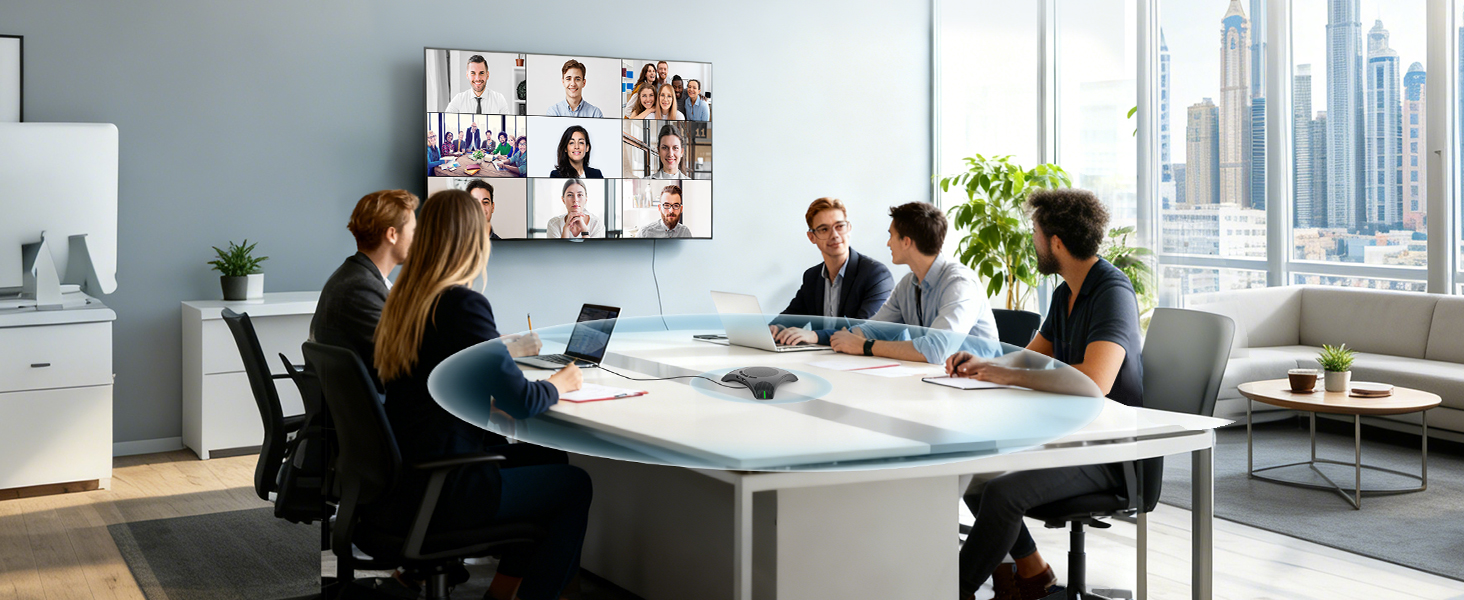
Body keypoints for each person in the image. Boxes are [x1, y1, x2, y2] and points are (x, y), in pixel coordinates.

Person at [374, 189, 588, 600]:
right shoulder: (462, 304)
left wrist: (489, 402)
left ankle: (503, 591)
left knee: (549, 457)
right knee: (575, 486)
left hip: (409, 478)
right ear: (472, 240)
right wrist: (561, 382)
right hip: (451, 486)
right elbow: (522, 401)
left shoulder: (405, 299)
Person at [945, 188, 1144, 600]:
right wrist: (983, 363)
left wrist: (1007, 376)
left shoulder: (1112, 291)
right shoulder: (1066, 292)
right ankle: (1034, 575)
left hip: (1110, 451)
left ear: (1055, 242)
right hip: (1071, 437)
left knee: (1001, 492)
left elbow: (1096, 380)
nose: (1032, 241)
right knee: (974, 474)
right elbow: (1032, 357)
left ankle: (949, 592)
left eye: (1034, 232)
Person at [828, 202, 998, 363]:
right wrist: (844, 338)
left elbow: (936, 350)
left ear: (906, 242)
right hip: (937, 379)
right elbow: (874, 329)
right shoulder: (908, 284)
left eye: (891, 235)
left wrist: (865, 346)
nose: (888, 243)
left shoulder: (960, 284)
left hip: (979, 385)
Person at [310, 190, 418, 389]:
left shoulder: (356, 277)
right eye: (413, 231)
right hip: (377, 413)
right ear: (392, 234)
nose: (416, 239)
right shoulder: (359, 289)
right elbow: (401, 365)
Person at [767, 198, 894, 346]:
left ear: (849, 228)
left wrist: (815, 336)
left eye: (840, 226)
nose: (834, 235)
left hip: (865, 363)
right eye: (824, 229)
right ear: (812, 237)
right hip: (823, 361)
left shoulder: (876, 275)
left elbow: (866, 329)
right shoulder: (812, 277)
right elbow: (791, 317)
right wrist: (776, 328)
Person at [445, 54, 510, 114]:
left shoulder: (499, 99)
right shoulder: (459, 99)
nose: (477, 78)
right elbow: (445, 122)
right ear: (467, 75)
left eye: (481, 73)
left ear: (487, 75)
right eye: (473, 73)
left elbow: (508, 124)